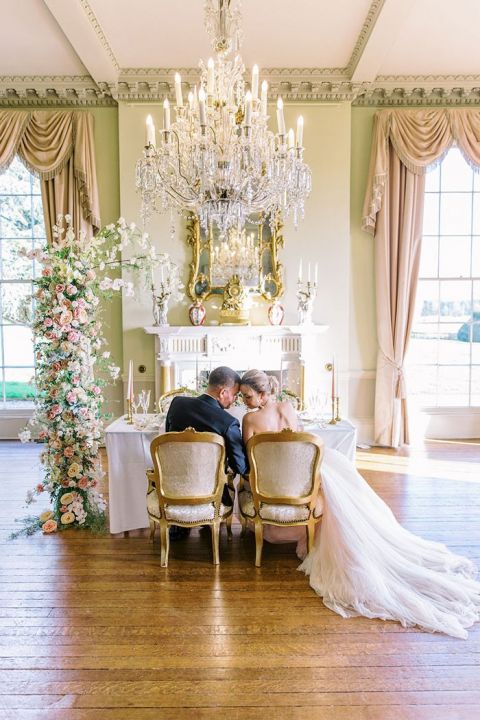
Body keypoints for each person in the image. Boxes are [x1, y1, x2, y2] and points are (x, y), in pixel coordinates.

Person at [239, 369, 480, 639]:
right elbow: (298, 440)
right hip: (302, 477)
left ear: (262, 395)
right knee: (337, 484)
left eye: (247, 396)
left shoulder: (250, 419)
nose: (243, 401)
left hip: (275, 480)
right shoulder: (288, 407)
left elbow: (252, 459)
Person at [166, 365, 248, 506]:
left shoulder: (177, 404)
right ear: (222, 392)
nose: (235, 399)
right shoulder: (228, 423)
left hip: (174, 487)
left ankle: (178, 526)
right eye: (235, 394)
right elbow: (240, 467)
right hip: (211, 493)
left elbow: (168, 437)